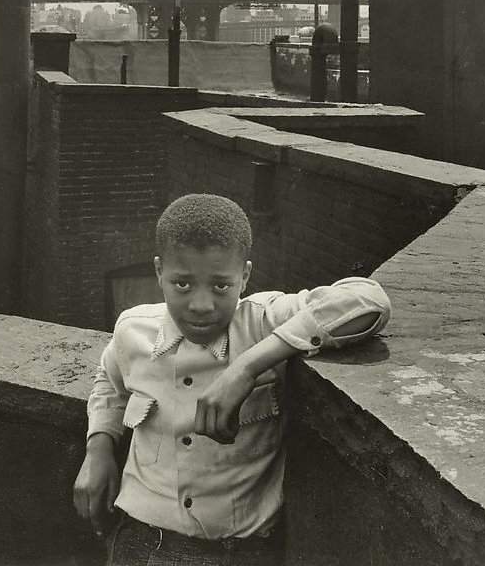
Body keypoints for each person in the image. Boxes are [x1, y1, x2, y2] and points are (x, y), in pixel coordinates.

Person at [73, 193, 391, 566]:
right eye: (182, 284)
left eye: (221, 286)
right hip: (143, 544)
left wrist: (248, 366)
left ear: (245, 275)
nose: (201, 305)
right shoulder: (133, 329)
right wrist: (99, 447)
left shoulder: (262, 323)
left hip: (242, 552)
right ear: (158, 271)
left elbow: (369, 300)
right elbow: (109, 382)